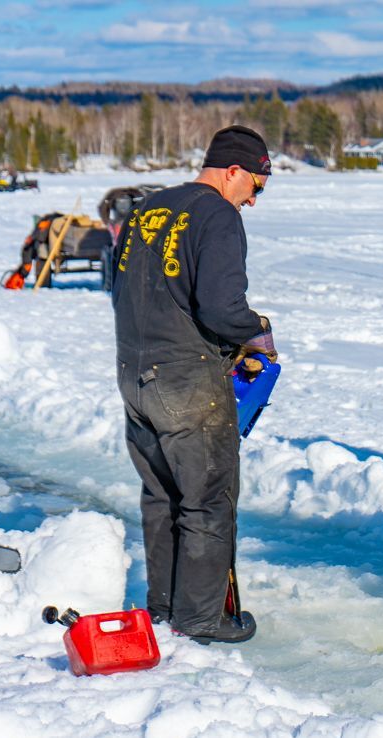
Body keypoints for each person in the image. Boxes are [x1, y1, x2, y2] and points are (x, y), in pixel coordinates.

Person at [112, 124, 275, 644]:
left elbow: (116, 288)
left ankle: (164, 609)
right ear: (233, 171)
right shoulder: (218, 215)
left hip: (134, 374)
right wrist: (259, 334)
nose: (253, 200)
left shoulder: (146, 209)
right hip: (186, 380)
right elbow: (222, 309)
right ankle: (202, 620)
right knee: (207, 498)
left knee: (161, 496)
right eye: (256, 185)